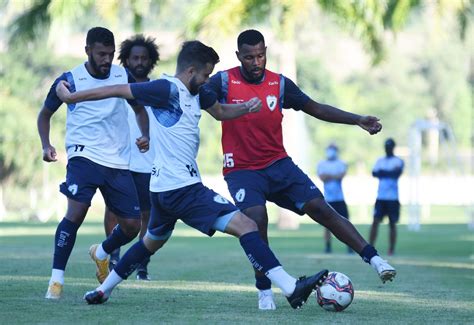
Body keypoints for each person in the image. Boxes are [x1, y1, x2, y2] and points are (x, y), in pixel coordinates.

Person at [56, 40, 329, 309]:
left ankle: (103, 290)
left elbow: (220, 112)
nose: (207, 80)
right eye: (206, 74)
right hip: (183, 189)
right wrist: (71, 97)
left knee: (150, 242)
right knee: (247, 226)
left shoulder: (193, 93)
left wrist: (246, 107)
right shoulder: (166, 89)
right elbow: (116, 89)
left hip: (163, 190)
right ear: (190, 72)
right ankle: (291, 287)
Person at [202, 29, 396, 310]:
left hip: (279, 165)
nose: (256, 62)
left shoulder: (279, 84)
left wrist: (356, 120)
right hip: (242, 171)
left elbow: (315, 108)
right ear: (238, 57)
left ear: (266, 52)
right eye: (249, 57)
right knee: (256, 221)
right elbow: (195, 94)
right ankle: (265, 291)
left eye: (260, 55)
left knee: (322, 209)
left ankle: (376, 260)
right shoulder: (222, 81)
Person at [38, 27, 150, 300]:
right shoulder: (70, 80)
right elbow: (44, 115)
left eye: (111, 54)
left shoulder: (123, 75)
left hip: (118, 161)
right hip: (83, 156)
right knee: (75, 214)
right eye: (101, 54)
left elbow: (139, 109)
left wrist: (145, 134)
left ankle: (100, 253)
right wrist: (46, 144)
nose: (107, 59)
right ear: (87, 50)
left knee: (132, 226)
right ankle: (56, 281)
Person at [104, 34, 160, 281]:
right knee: (113, 211)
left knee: (147, 215)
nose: (139, 62)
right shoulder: (116, 88)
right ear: (125, 60)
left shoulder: (157, 90)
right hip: (119, 161)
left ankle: (141, 265)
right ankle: (112, 257)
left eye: (144, 58)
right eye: (134, 58)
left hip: (148, 164)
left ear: (151, 61)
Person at [369, 138, 404, 256]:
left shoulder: (398, 161)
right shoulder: (380, 160)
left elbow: (396, 173)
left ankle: (391, 249)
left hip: (393, 198)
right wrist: (388, 172)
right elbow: (374, 173)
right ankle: (370, 246)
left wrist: (383, 172)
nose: (387, 149)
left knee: (392, 223)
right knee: (375, 221)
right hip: (381, 197)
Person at [317, 144, 352, 254]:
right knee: (327, 224)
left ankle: (350, 246)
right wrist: (334, 176)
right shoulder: (321, 164)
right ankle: (328, 246)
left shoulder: (341, 163)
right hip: (328, 199)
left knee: (345, 223)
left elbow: (341, 175)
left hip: (339, 198)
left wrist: (329, 176)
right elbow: (323, 177)